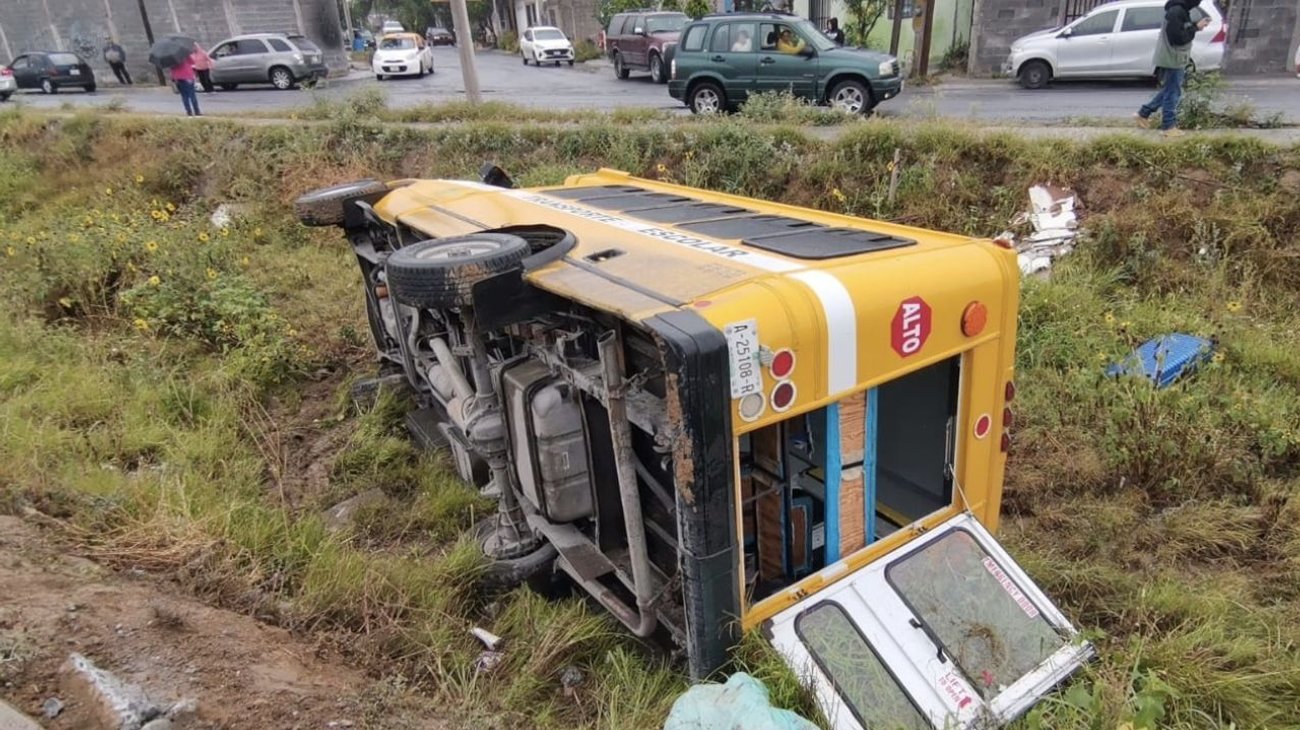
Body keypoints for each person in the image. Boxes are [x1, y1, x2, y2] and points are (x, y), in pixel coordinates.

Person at [1135, 0, 1210, 136]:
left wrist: (1194, 26)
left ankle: (1143, 113)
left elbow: (1181, 32)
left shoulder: (1180, 10)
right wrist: (1196, 27)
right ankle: (1168, 127)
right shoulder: (1176, 12)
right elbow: (1178, 38)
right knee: (1172, 92)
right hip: (1173, 58)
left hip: (1175, 57)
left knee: (1170, 89)